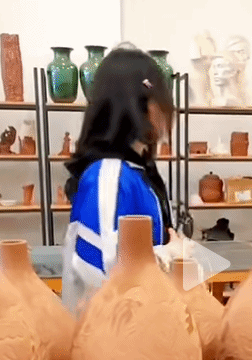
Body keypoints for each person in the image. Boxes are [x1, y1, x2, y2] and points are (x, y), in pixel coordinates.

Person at [62, 48, 185, 314]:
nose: (168, 111)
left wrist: (183, 253)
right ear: (136, 104)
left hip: (143, 317)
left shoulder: (136, 172)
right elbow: (108, 272)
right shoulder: (109, 176)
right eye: (161, 99)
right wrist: (174, 255)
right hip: (113, 328)